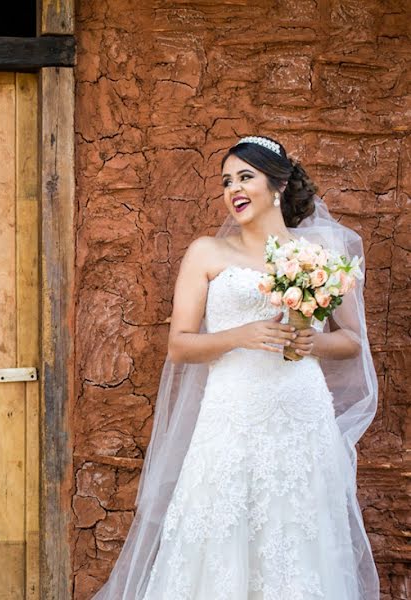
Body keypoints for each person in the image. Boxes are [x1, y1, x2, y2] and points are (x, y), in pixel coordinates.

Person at [93, 136, 379, 599]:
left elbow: (350, 341)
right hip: (231, 417)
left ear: (278, 185)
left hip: (301, 419)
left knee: (299, 542)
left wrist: (314, 342)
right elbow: (179, 346)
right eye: (227, 181)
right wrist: (240, 336)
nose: (233, 189)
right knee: (219, 536)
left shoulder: (320, 255)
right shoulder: (207, 252)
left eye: (246, 176)